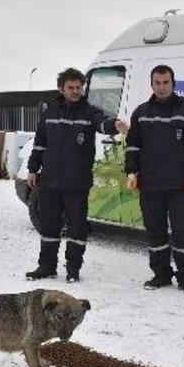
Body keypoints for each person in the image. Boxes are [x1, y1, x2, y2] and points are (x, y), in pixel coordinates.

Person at [25, 68, 128, 283]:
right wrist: (33, 169)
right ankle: (46, 266)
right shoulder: (50, 112)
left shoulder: (89, 111)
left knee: (77, 229)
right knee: (49, 227)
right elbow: (40, 144)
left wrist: (114, 125)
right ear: (61, 88)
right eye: (70, 88)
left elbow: (102, 122)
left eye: (78, 87)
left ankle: (73, 269)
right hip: (50, 182)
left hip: (77, 183)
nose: (75, 91)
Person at [124, 65, 184, 296]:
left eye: (165, 82)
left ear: (173, 83)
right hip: (150, 186)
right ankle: (161, 275)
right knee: (155, 234)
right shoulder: (141, 113)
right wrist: (131, 171)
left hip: (180, 186)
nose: (161, 87)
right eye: (157, 83)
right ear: (151, 84)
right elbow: (132, 146)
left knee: (183, 234)